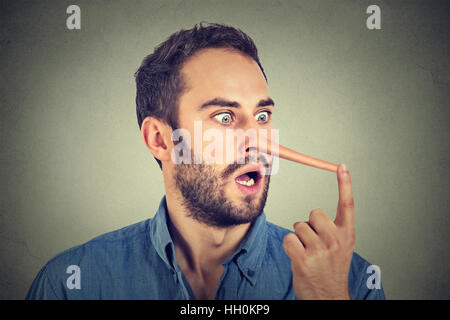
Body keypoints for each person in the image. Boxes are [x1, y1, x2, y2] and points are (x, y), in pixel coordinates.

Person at [26, 22, 385, 300]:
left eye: (262, 116)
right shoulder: (73, 282)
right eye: (225, 118)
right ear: (160, 139)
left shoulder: (351, 282)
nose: (258, 140)